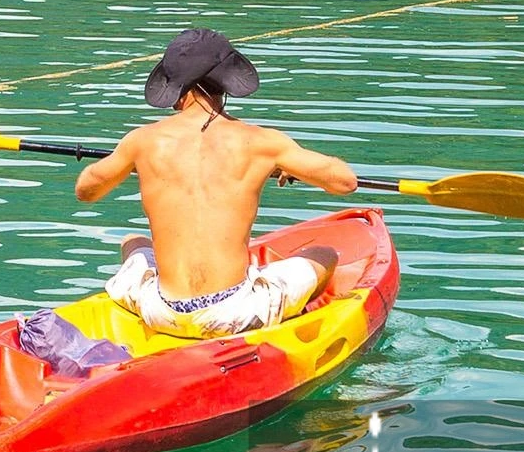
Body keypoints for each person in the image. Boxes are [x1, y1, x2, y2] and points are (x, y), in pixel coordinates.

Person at [74, 26, 358, 338]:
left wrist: (135, 164)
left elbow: (86, 191)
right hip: (232, 313)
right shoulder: (264, 143)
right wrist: (291, 166)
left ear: (174, 87)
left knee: (133, 242)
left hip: (163, 312)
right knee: (325, 254)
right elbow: (344, 182)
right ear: (225, 83)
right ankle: (285, 327)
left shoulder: (142, 141)